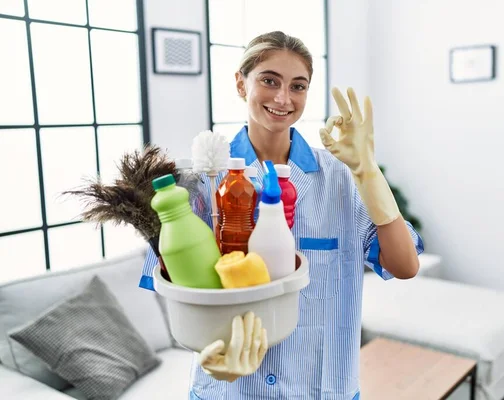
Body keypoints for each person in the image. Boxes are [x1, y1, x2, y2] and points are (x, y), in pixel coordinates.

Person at [140, 31, 424, 399]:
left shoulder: (341, 177)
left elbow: (405, 265)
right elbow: (177, 295)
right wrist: (208, 353)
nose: (282, 98)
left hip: (322, 389)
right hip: (229, 390)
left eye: (298, 86)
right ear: (241, 84)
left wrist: (368, 171)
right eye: (269, 80)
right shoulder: (199, 184)